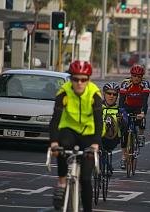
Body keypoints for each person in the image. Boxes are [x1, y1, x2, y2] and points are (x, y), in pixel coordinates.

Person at [49, 60, 103, 212]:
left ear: (88, 80)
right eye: (75, 79)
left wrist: (95, 145)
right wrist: (53, 142)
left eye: (83, 80)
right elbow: (55, 120)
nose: (79, 83)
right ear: (70, 79)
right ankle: (61, 183)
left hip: (89, 134)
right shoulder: (63, 93)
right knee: (61, 146)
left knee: (86, 179)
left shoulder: (94, 95)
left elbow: (99, 122)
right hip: (69, 130)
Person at [119, 64, 150, 169]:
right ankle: (124, 157)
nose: (136, 78)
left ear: (142, 77)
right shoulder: (125, 83)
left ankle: (140, 135)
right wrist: (121, 113)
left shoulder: (145, 84)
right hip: (127, 106)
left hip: (139, 107)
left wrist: (142, 113)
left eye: (139, 76)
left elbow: (145, 102)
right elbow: (121, 101)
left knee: (142, 118)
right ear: (131, 75)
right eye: (134, 76)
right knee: (124, 130)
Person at [101, 82, 126, 153]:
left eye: (114, 94)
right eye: (109, 93)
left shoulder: (120, 109)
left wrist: (121, 119)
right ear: (104, 94)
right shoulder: (97, 107)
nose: (111, 96)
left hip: (112, 139)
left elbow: (125, 125)